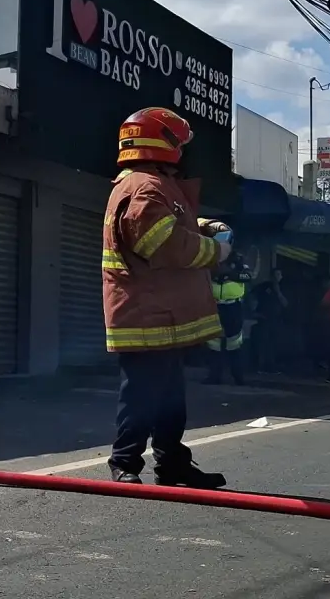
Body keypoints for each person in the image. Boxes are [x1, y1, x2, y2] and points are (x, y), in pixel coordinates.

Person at [102, 107, 231, 489]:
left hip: (160, 314)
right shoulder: (144, 187)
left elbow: (172, 223)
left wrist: (205, 225)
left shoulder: (150, 184)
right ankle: (124, 462)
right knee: (143, 395)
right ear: (166, 144)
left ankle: (172, 464)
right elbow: (162, 243)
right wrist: (215, 251)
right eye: (181, 143)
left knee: (170, 397)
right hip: (147, 314)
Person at [203, 238, 251, 386]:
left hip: (233, 307)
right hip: (214, 305)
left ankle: (238, 377)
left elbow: (248, 276)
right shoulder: (210, 259)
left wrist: (230, 274)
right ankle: (214, 376)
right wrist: (215, 275)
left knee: (235, 342)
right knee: (213, 342)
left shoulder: (238, 259)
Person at [251, 268, 287, 374]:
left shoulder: (283, 287)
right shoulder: (264, 286)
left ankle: (272, 367)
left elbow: (286, 304)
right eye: (275, 275)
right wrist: (254, 312)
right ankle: (261, 367)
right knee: (263, 343)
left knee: (274, 345)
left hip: (277, 320)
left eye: (279, 274)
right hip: (264, 319)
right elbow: (252, 296)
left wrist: (278, 292)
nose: (277, 277)